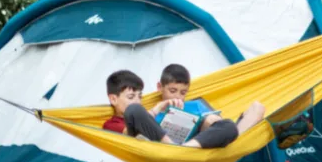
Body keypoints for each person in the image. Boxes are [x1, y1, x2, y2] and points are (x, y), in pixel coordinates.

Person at [103, 65, 265, 148]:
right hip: (157, 147)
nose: (137, 100)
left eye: (140, 97)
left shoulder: (189, 105)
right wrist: (157, 109)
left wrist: (208, 120)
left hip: (185, 145)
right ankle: (173, 147)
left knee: (229, 126)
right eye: (131, 97)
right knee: (134, 110)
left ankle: (186, 148)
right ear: (113, 99)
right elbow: (132, 129)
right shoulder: (112, 123)